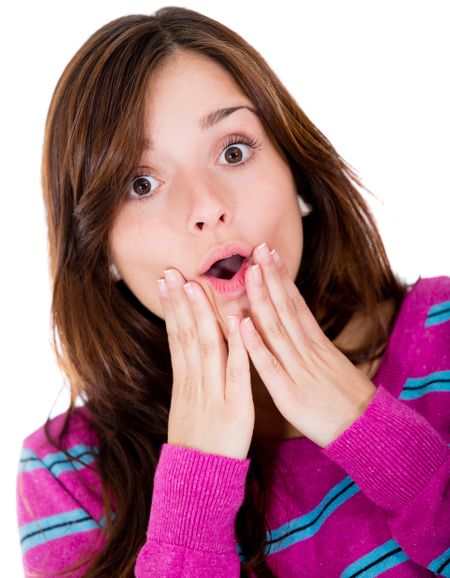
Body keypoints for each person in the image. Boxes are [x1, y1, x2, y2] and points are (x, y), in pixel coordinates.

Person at [16, 6, 450, 578]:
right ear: (101, 252)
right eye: (141, 184)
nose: (207, 206)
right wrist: (196, 488)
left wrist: (369, 427)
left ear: (299, 175)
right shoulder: (67, 475)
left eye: (234, 151)